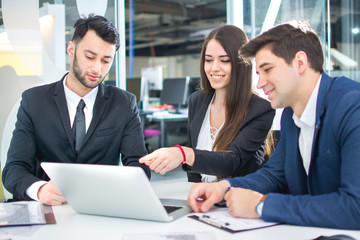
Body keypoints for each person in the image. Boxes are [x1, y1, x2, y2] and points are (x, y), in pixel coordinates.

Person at [187, 20, 360, 230]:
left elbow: (355, 207)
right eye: (259, 74)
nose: (260, 84)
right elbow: (274, 175)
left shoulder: (352, 107)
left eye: (268, 69)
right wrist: (224, 187)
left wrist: (262, 206)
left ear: (300, 62)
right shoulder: (291, 115)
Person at [2, 14, 150, 205]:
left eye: (106, 60)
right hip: (49, 210)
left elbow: (139, 167)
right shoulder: (34, 101)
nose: (97, 68)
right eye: (89, 57)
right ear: (71, 49)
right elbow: (14, 168)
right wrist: (40, 189)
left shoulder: (123, 103)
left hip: (101, 208)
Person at [139, 25, 275, 182]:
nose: (214, 68)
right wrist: (196, 189)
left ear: (241, 64)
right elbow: (194, 168)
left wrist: (183, 154)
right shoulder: (197, 100)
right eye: (208, 60)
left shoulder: (260, 110)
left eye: (224, 60)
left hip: (237, 198)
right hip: (203, 198)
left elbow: (233, 162)